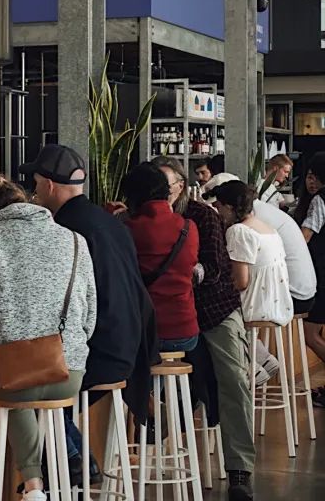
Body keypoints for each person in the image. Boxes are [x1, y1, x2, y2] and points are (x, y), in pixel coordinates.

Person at [0, 170, 96, 501]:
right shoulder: (75, 240)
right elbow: (90, 316)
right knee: (7, 372)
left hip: (13, 376)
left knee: (0, 372)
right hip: (69, 372)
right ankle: (30, 485)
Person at [26, 144, 156, 487]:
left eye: (35, 184)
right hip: (130, 349)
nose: (34, 192)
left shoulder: (64, 230)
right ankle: (71, 463)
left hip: (99, 355)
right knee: (44, 397)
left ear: (49, 185)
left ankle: (69, 463)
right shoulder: (110, 222)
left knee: (25, 390)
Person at [152, 157, 256, 501]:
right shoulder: (142, 218)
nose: (160, 192)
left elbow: (213, 269)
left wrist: (181, 273)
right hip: (169, 317)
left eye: (166, 186)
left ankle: (240, 467)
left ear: (181, 187)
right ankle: (152, 437)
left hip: (214, 310)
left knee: (233, 380)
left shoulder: (202, 216)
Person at [122, 163, 200, 352]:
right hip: (186, 332)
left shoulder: (128, 229)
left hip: (145, 331)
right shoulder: (189, 227)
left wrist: (109, 217)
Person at [208, 180, 293, 329]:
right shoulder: (268, 228)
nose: (219, 213)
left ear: (229, 207)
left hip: (255, 307)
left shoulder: (239, 231)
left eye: (219, 207)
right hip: (278, 305)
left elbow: (240, 282)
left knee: (207, 312)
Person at [298, 153, 325, 406]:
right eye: (308, 176)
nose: (311, 181)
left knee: (310, 333)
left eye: (316, 176)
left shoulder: (319, 201)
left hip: (320, 275)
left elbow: (304, 237)